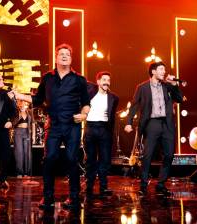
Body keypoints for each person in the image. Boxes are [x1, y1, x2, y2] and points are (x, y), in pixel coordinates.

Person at [12, 43, 90, 209]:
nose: (64, 56)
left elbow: (86, 103)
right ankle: (48, 198)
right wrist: (19, 95)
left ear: (71, 58)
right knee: (49, 159)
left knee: (71, 159)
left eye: (67, 54)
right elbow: (38, 99)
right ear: (56, 57)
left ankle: (74, 198)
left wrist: (84, 115)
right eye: (61, 54)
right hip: (53, 125)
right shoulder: (47, 78)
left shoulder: (79, 80)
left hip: (72, 126)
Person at [124, 61, 183, 196]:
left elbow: (179, 99)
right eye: (161, 69)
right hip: (151, 123)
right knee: (148, 155)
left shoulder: (167, 86)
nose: (164, 72)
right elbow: (134, 106)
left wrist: (174, 85)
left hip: (167, 124)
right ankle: (143, 185)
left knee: (169, 154)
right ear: (153, 71)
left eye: (164, 69)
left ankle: (161, 184)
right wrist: (129, 122)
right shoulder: (142, 87)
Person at [84, 71, 119, 199]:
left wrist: (110, 133)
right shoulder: (90, 92)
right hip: (91, 128)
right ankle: (89, 186)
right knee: (90, 159)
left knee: (105, 159)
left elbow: (112, 117)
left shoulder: (114, 97)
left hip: (104, 129)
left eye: (108, 80)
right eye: (103, 79)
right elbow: (81, 81)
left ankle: (103, 187)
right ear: (98, 82)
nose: (106, 82)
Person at [12, 100, 34, 178]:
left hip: (27, 132)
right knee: (19, 152)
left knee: (27, 152)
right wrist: (19, 114)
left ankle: (27, 173)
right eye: (21, 104)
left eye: (24, 104)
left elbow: (33, 123)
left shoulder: (29, 112)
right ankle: (19, 172)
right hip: (18, 132)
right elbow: (13, 123)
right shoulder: (16, 112)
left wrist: (33, 136)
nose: (23, 105)